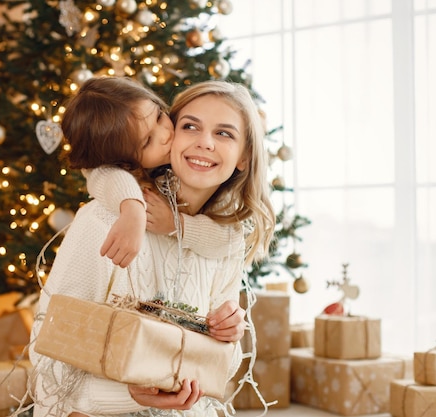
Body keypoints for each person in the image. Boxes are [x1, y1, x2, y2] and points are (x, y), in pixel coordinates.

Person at [28, 78, 275, 417]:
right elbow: (47, 354)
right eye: (191, 126)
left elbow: (222, 368)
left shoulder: (224, 241)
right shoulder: (105, 220)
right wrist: (130, 396)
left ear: (244, 157)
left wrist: (227, 334)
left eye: (224, 133)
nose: (205, 142)